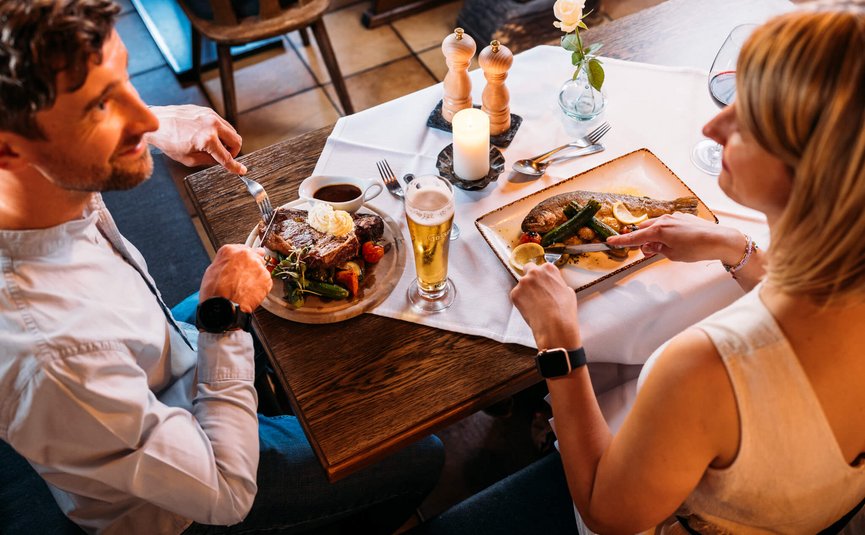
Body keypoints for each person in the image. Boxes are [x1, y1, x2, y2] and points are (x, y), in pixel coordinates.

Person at [0, 1, 443, 534]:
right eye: (100, 107)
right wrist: (222, 317)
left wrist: (159, 126)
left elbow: (96, 131)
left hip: (167, 356)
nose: (142, 116)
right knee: (423, 454)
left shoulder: (41, 187)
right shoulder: (54, 356)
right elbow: (226, 492)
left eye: (123, 82)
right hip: (180, 497)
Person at [419, 9, 865, 535]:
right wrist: (738, 248)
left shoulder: (703, 368)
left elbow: (608, 514)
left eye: (750, 123)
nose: (713, 124)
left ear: (814, 173)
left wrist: (559, 341)